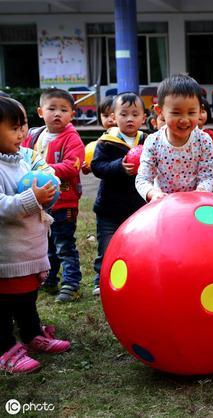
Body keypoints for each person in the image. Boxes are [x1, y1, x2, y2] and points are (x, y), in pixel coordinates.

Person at [0, 97, 71, 374]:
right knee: (4, 305)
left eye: (24, 126)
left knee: (26, 297)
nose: (22, 134)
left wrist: (48, 191)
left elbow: (42, 178)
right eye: (14, 128)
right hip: (6, 257)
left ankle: (31, 333)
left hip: (28, 252)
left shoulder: (22, 160)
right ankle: (5, 348)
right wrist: (32, 198)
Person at [22, 88, 84, 303]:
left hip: (64, 202)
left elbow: (71, 166)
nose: (57, 113)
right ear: (40, 112)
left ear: (72, 115)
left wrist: (43, 170)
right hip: (40, 202)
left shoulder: (72, 138)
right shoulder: (34, 136)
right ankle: (49, 279)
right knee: (45, 243)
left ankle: (71, 283)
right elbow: (23, 159)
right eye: (52, 109)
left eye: (64, 110)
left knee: (64, 244)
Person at [91, 92, 148, 296]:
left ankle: (135, 276)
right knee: (106, 245)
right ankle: (101, 278)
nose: (130, 118)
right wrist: (119, 166)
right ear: (114, 117)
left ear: (143, 118)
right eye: (123, 114)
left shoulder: (147, 140)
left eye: (135, 114)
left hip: (137, 207)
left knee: (137, 245)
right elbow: (97, 166)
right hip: (110, 207)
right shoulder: (107, 141)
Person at [135, 74, 213, 202]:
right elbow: (143, 179)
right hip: (164, 205)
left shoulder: (204, 140)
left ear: (200, 111)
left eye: (191, 112)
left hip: (195, 205)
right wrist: (153, 193)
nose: (184, 120)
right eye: (176, 113)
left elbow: (207, 177)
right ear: (160, 112)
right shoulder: (153, 142)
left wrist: (200, 192)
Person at [198, 95, 213, 161]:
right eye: (196, 111)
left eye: (203, 112)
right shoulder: (185, 133)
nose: (200, 114)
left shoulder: (209, 133)